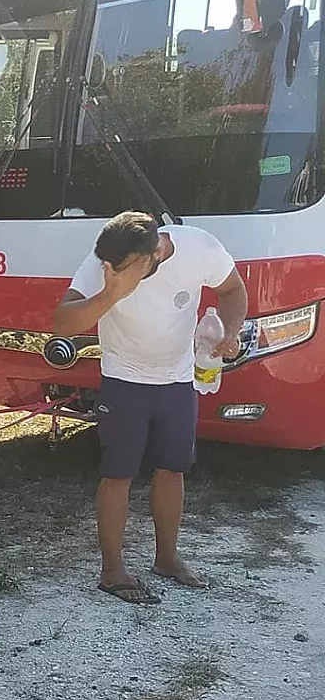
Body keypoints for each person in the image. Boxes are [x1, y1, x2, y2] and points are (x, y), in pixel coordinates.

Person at [53, 211, 248, 604]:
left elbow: (233, 290)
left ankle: (167, 559)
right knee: (118, 475)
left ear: (154, 252)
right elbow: (63, 322)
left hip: (177, 382)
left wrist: (231, 330)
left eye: (126, 270)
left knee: (173, 469)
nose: (115, 272)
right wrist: (110, 293)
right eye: (110, 268)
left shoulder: (198, 246)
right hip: (124, 382)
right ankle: (112, 572)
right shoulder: (108, 263)